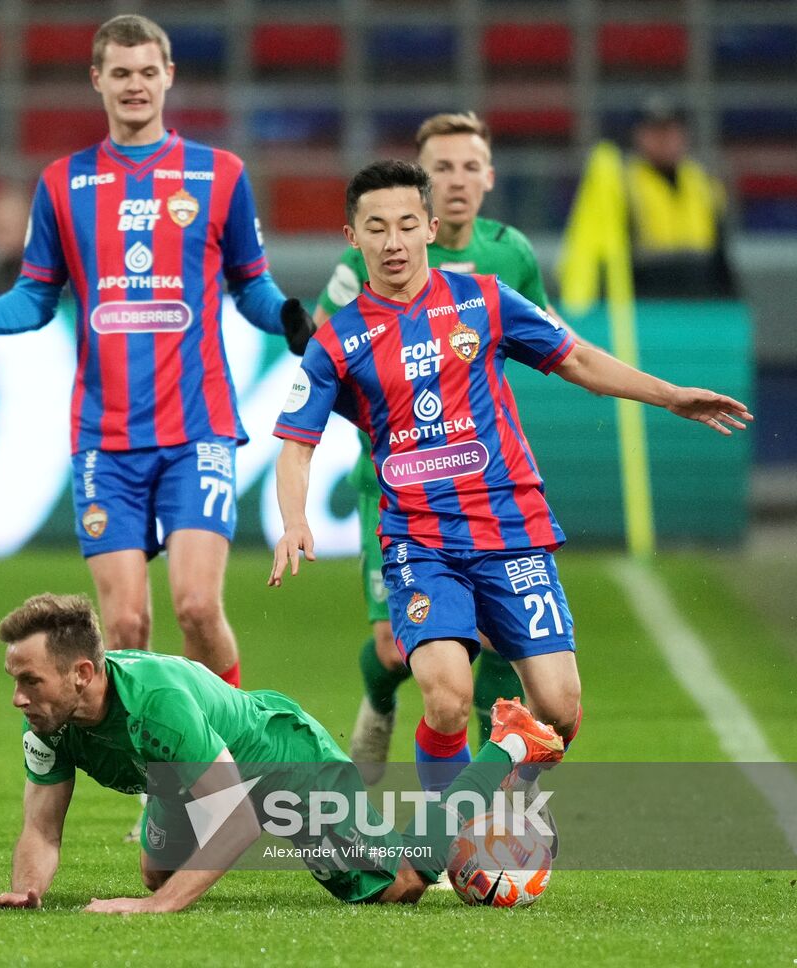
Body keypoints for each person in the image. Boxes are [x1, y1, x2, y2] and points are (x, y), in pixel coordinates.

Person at [270, 160, 749, 799]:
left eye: (407, 225)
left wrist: (668, 396)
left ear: (430, 228)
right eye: (376, 228)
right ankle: (450, 836)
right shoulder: (337, 340)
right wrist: (295, 519)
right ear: (352, 237)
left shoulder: (485, 300)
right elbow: (296, 445)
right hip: (419, 542)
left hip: (511, 530)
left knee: (559, 708)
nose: (393, 242)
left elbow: (574, 356)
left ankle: (487, 805)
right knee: (446, 697)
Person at [0, 14, 314, 690]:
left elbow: (252, 287)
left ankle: (228, 753)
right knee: (124, 628)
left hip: (196, 429)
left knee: (197, 607)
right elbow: (34, 300)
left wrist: (287, 318)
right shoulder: (64, 184)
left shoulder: (219, 175)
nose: (135, 85)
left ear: (169, 77)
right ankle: (164, 780)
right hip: (107, 438)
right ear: (97, 80)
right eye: (120, 73)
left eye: (147, 72)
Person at [0, 592, 564, 913]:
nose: (16, 698)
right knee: (159, 873)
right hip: (180, 774)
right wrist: (28, 889)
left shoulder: (157, 703)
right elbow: (42, 828)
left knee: (401, 882)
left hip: (282, 765)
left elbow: (239, 819)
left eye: (30, 681)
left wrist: (157, 914)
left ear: (82, 673)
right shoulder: (49, 724)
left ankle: (511, 742)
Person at [313, 112, 553, 783]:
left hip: (480, 479)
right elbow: (322, 355)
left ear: (489, 177)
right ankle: (379, 697)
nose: (456, 180)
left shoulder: (511, 257)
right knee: (395, 649)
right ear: (421, 183)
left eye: (469, 166)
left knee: (498, 637)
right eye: (441, 168)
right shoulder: (373, 254)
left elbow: (541, 339)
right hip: (394, 488)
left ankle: (491, 799)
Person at [625, 98, 738, 299]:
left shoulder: (703, 182)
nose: (664, 139)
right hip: (647, 296)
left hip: (702, 292)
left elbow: (721, 252)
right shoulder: (625, 183)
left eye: (670, 131)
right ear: (639, 136)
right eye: (655, 131)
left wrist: (731, 297)